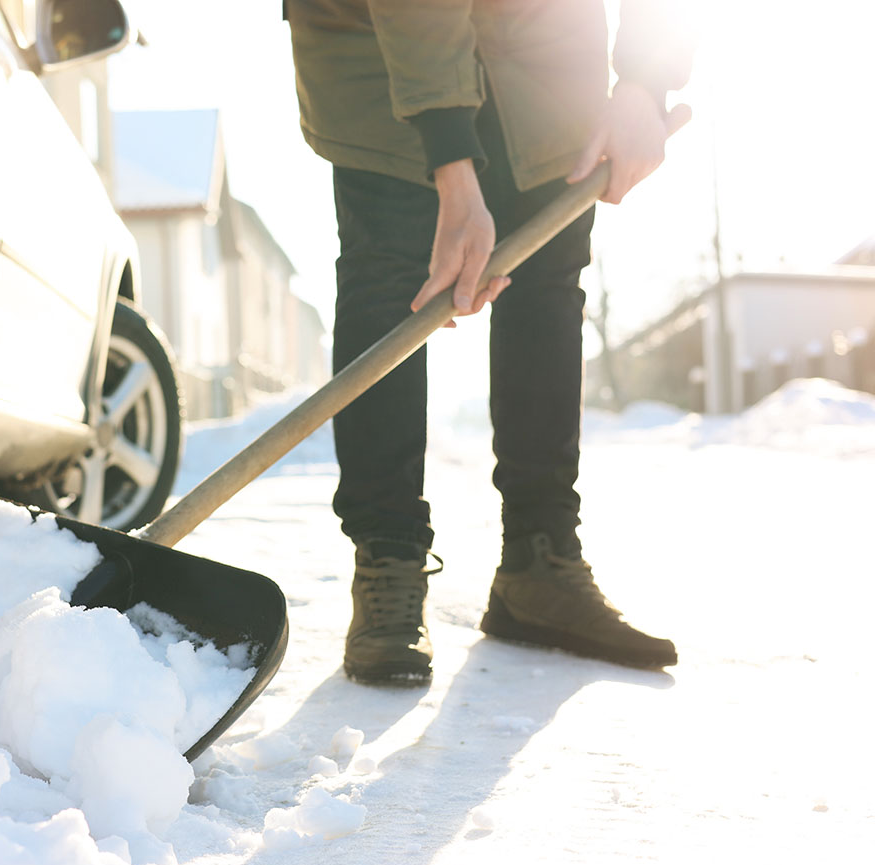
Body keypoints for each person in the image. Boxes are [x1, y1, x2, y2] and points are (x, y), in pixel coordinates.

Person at [282, 0, 696, 683]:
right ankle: (387, 558)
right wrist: (452, 169)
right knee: (392, 277)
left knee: (547, 270)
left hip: (544, 32)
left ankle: (541, 562)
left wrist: (646, 83)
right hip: (372, 35)